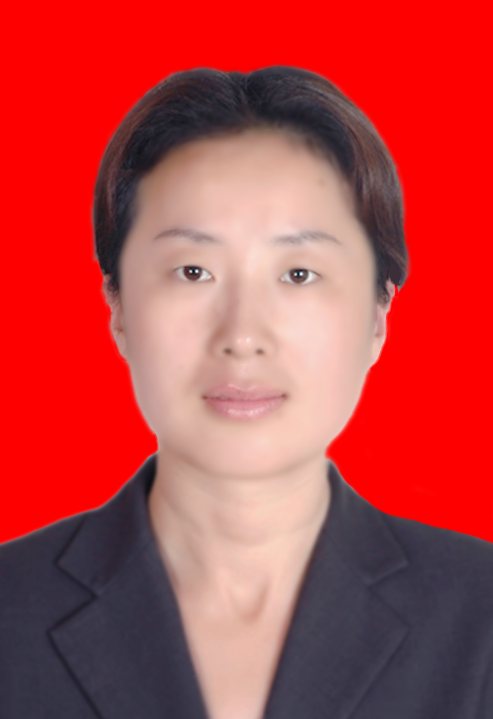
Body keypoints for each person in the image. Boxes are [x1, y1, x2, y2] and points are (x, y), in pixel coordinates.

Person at [0, 66, 491, 719]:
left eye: (298, 273)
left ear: (378, 315)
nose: (241, 335)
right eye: (192, 270)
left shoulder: (479, 616)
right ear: (117, 305)